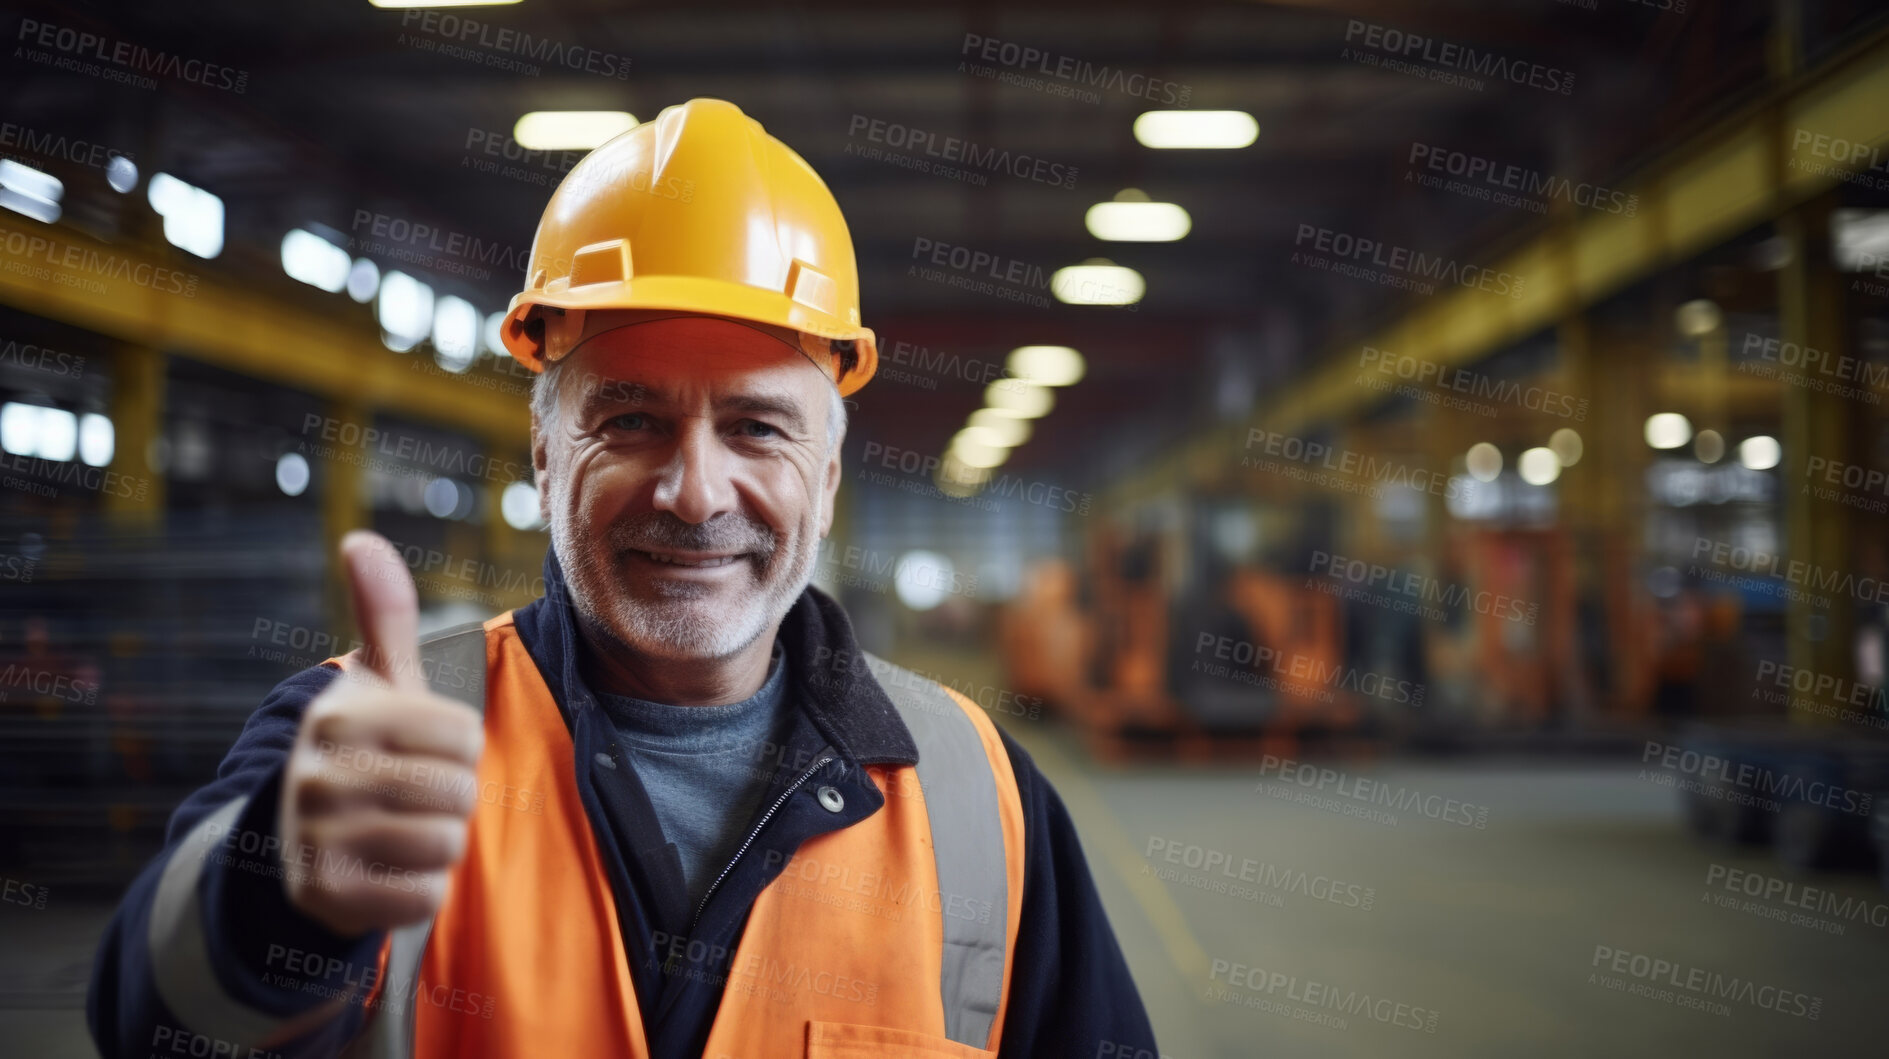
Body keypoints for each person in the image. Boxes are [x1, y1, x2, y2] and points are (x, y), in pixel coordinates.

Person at [88, 97, 1157, 1059]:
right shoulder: (359, 736)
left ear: (824, 479)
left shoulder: (980, 799)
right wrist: (275, 904)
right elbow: (153, 1029)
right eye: (631, 421)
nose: (694, 494)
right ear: (548, 458)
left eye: (754, 427)